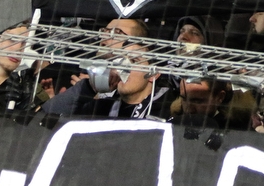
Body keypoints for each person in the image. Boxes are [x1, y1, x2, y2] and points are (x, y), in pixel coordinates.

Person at [40, 18, 173, 119]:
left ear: (154, 74)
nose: (123, 67)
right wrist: (88, 88)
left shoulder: (169, 105)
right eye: (120, 60)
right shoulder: (102, 106)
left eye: (133, 61)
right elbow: (44, 118)